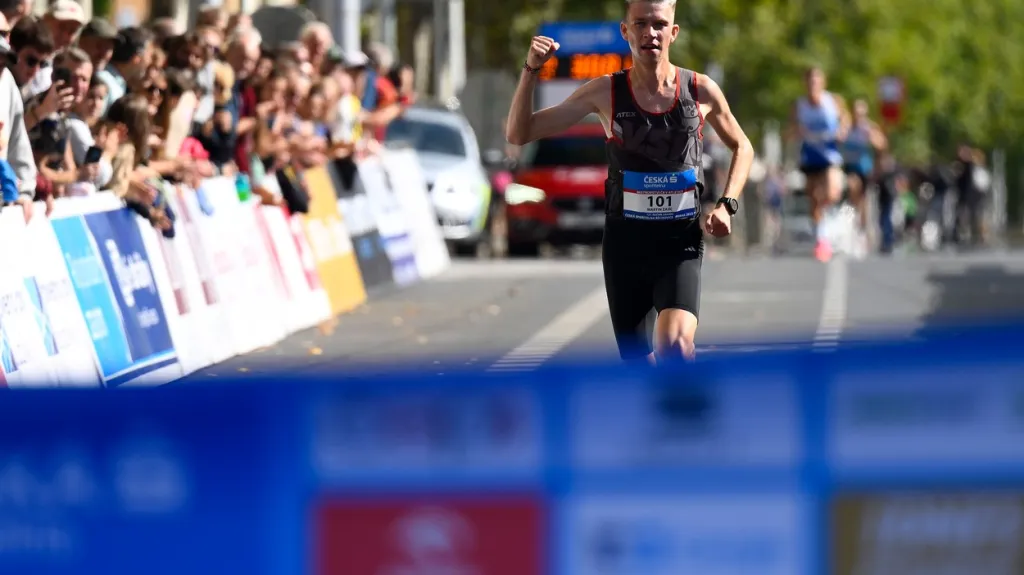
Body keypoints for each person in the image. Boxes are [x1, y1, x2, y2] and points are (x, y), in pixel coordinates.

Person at [505, 0, 753, 364]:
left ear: (673, 32)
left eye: (658, 24)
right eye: (640, 24)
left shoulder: (700, 90)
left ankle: (686, 399)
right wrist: (531, 70)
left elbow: (743, 147)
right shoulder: (605, 92)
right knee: (639, 367)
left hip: (678, 243)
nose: (649, 33)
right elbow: (520, 132)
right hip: (625, 247)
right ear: (626, 31)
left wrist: (727, 204)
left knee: (675, 347)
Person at [789, 66, 849, 262]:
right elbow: (791, 127)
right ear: (805, 83)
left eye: (816, 81)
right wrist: (796, 132)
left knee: (831, 193)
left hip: (830, 156)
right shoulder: (800, 105)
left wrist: (842, 131)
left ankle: (828, 226)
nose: (813, 84)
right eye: (809, 81)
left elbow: (845, 119)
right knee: (813, 198)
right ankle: (821, 239)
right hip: (810, 155)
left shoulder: (833, 101)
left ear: (823, 82)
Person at [840, 98, 886, 240]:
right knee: (853, 187)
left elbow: (882, 144)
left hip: (864, 168)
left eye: (861, 114)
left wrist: (872, 138)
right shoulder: (846, 128)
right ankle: (852, 221)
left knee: (863, 199)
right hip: (849, 166)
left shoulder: (869, 128)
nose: (858, 116)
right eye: (856, 113)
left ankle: (862, 228)